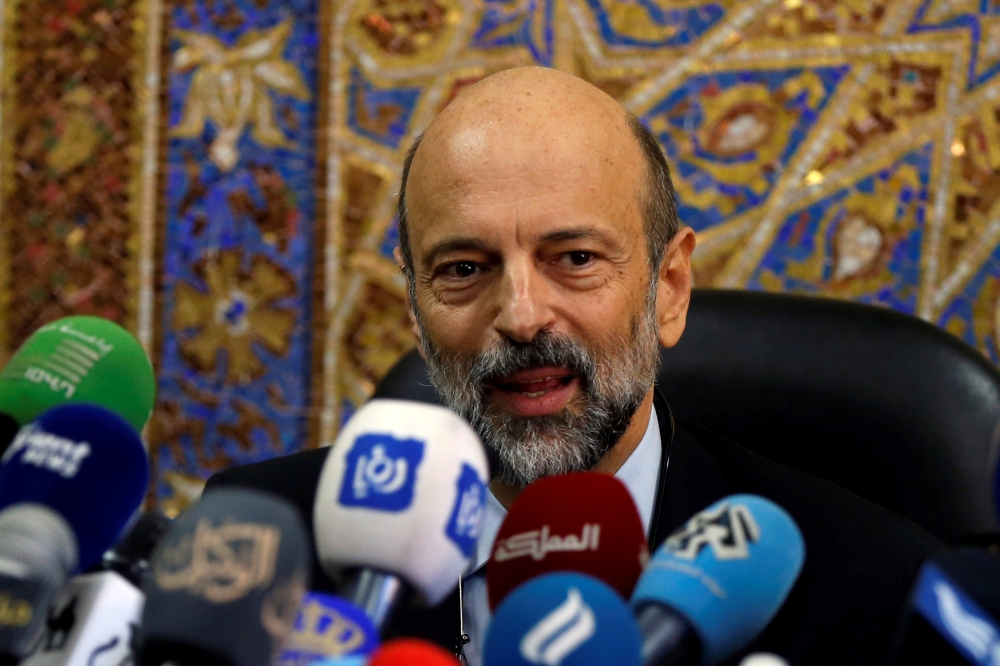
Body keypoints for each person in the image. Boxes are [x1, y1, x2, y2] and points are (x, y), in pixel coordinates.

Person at [207, 67, 939, 665]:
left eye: (576, 259)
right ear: (413, 304)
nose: (521, 315)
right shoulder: (255, 554)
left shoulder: (873, 588)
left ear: (670, 289)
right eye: (464, 267)